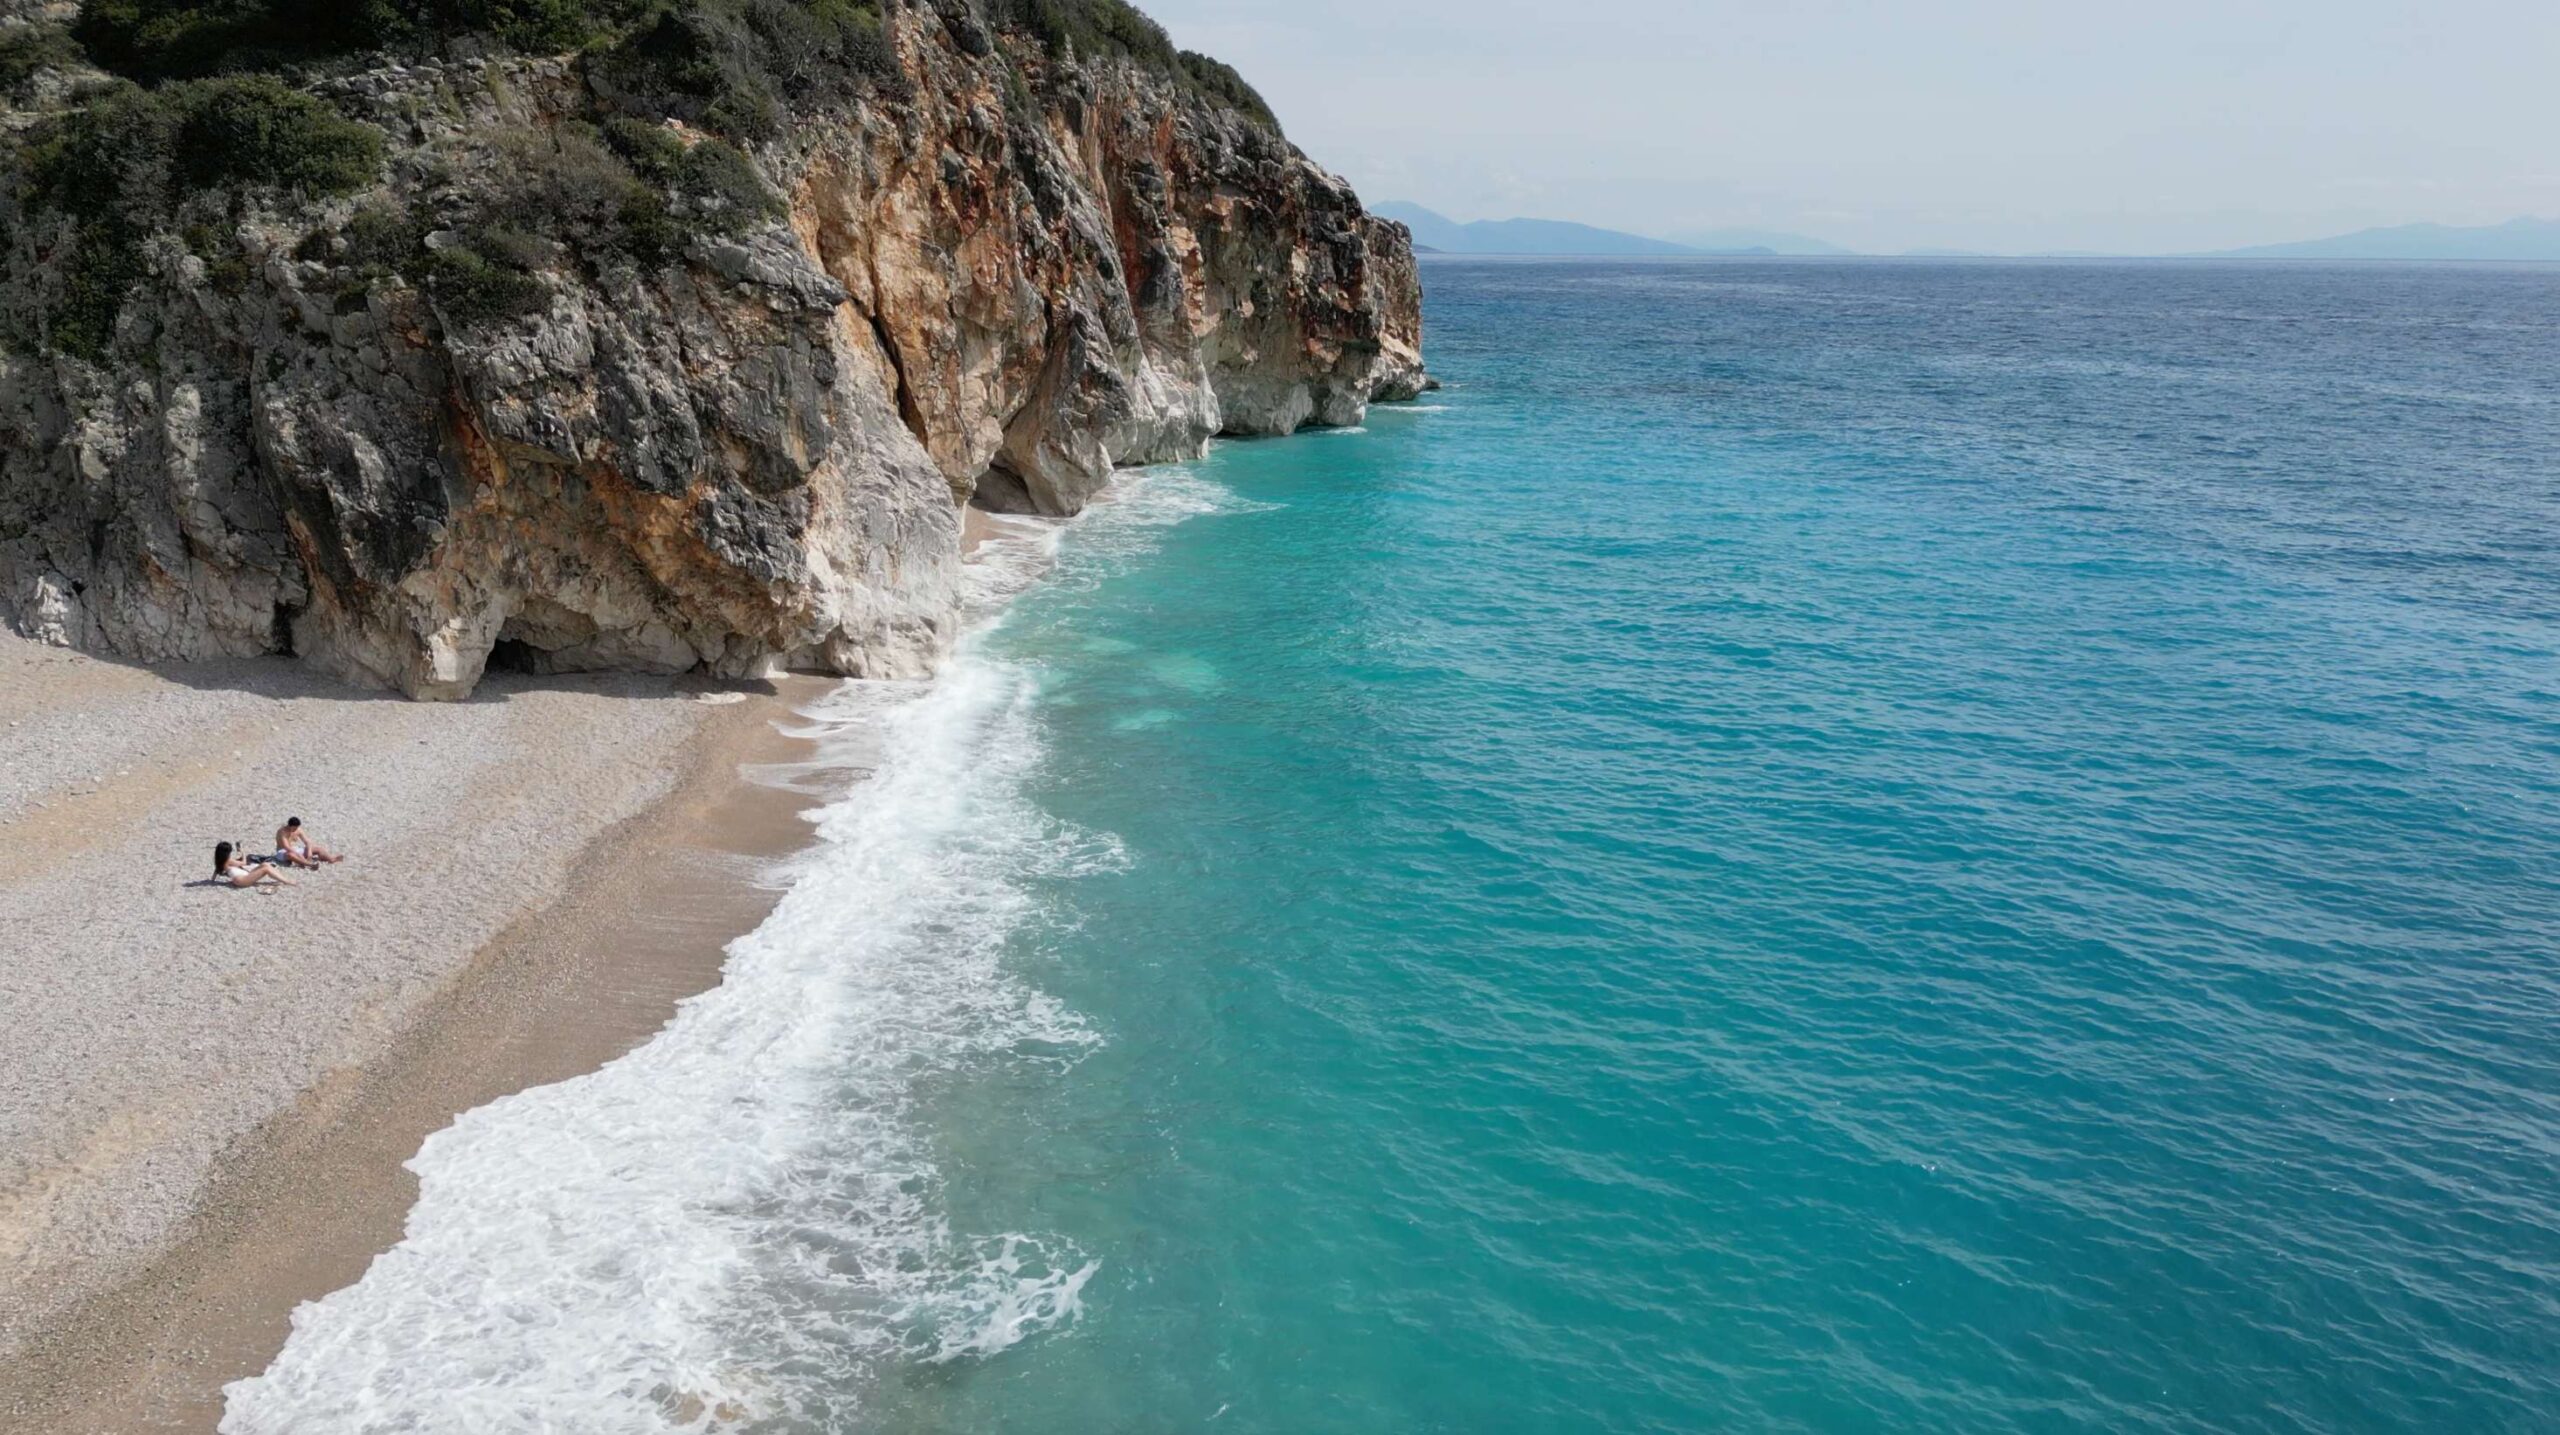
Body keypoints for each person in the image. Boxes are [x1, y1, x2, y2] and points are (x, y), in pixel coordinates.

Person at [215, 840, 293, 889]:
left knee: (265, 864)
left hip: (241, 878)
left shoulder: (220, 860)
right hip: (242, 880)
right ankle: (286, 881)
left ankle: (283, 879)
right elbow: (244, 863)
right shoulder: (228, 860)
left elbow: (216, 870)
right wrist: (243, 852)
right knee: (266, 869)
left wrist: (212, 880)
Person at [274, 816, 342, 869]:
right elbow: (286, 847)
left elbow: (307, 841)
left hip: (294, 848)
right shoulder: (282, 832)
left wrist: (309, 852)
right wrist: (299, 855)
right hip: (282, 852)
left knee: (318, 849)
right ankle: (309, 864)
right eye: (294, 828)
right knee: (290, 854)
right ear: (289, 826)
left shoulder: (298, 830)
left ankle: (330, 859)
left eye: (296, 828)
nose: (295, 829)